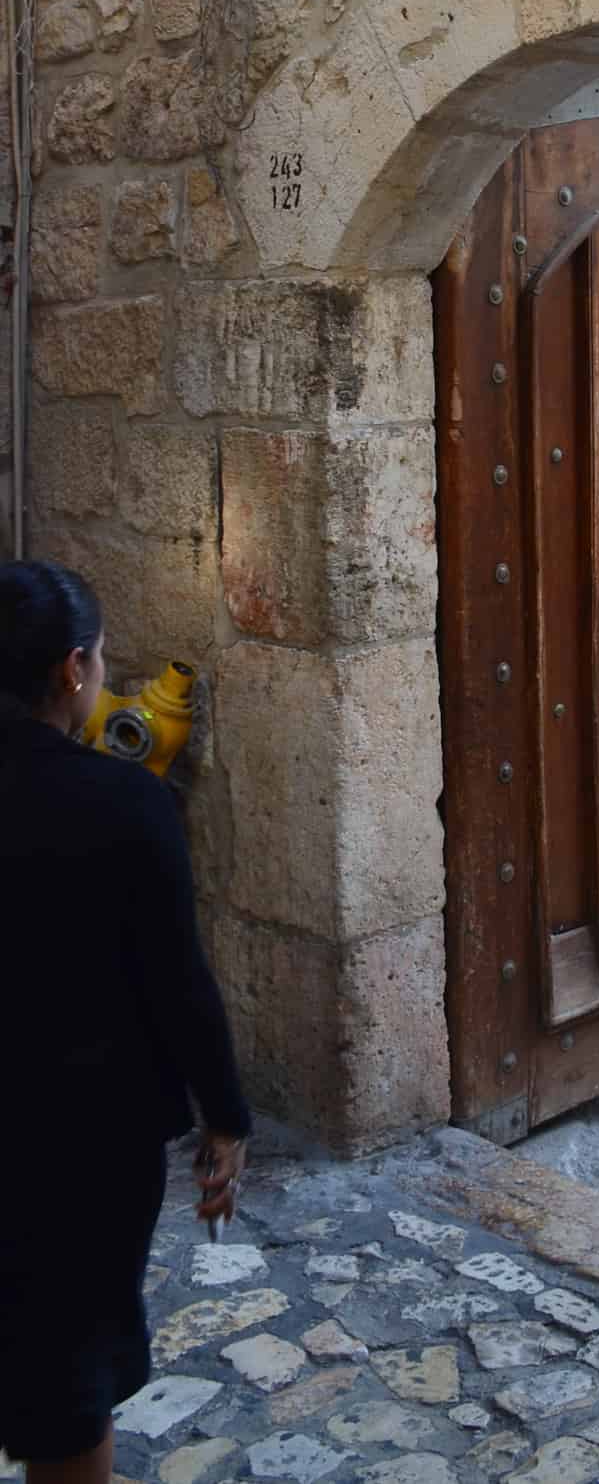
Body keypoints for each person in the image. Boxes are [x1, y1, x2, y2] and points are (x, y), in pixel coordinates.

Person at [0, 560, 252, 1484]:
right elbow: (178, 984)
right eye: (100, 657)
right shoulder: (123, 805)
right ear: (73, 670)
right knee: (69, 1368)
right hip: (78, 1138)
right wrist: (225, 1119)